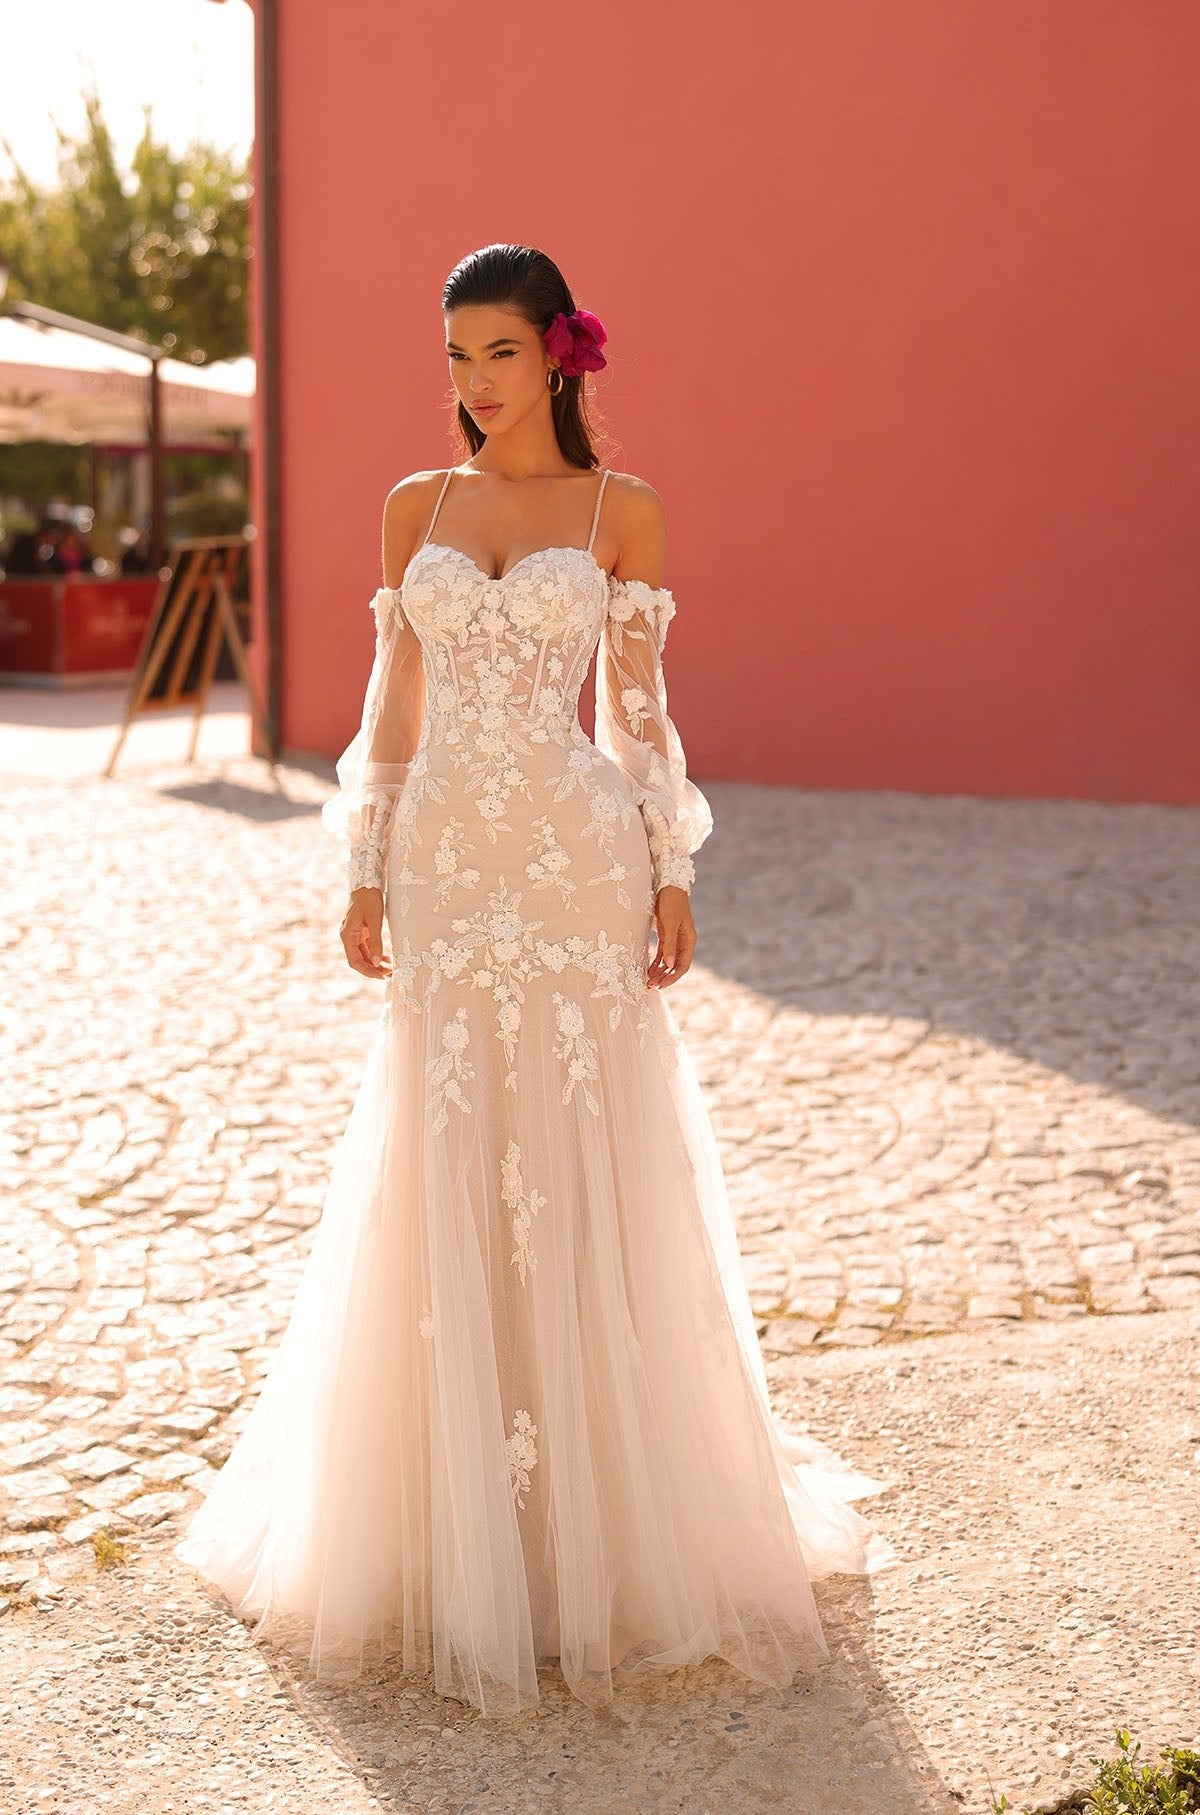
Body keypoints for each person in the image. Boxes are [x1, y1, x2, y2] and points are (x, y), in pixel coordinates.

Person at [174, 243, 895, 1717]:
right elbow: (391, 713)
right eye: (452, 358)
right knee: (445, 1150)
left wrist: (675, 865)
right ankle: (456, 1524)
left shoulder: (622, 513)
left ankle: (604, 1526)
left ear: (560, 354)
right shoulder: (412, 512)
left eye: (496, 354)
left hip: (575, 866)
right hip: (447, 866)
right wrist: (364, 864)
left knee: (582, 1155)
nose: (470, 384)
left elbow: (639, 717)